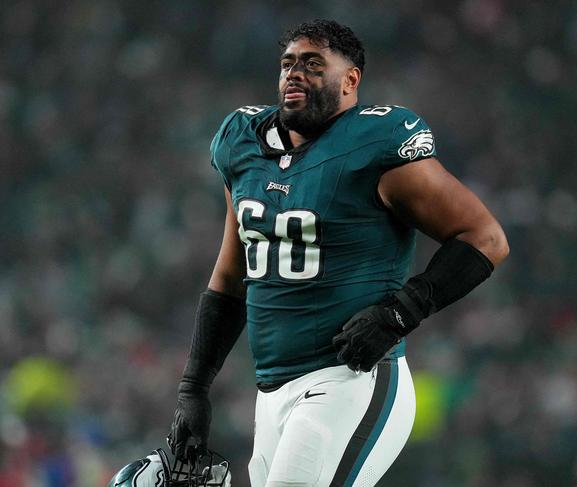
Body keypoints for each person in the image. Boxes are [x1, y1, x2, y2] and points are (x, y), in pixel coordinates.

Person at [167, 19, 509, 487]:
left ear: (351, 80)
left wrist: (400, 311)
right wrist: (194, 387)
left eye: (312, 64)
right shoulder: (243, 144)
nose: (295, 74)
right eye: (288, 64)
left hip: (352, 380)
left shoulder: (375, 143)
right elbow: (231, 275)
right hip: (271, 393)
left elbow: (485, 237)